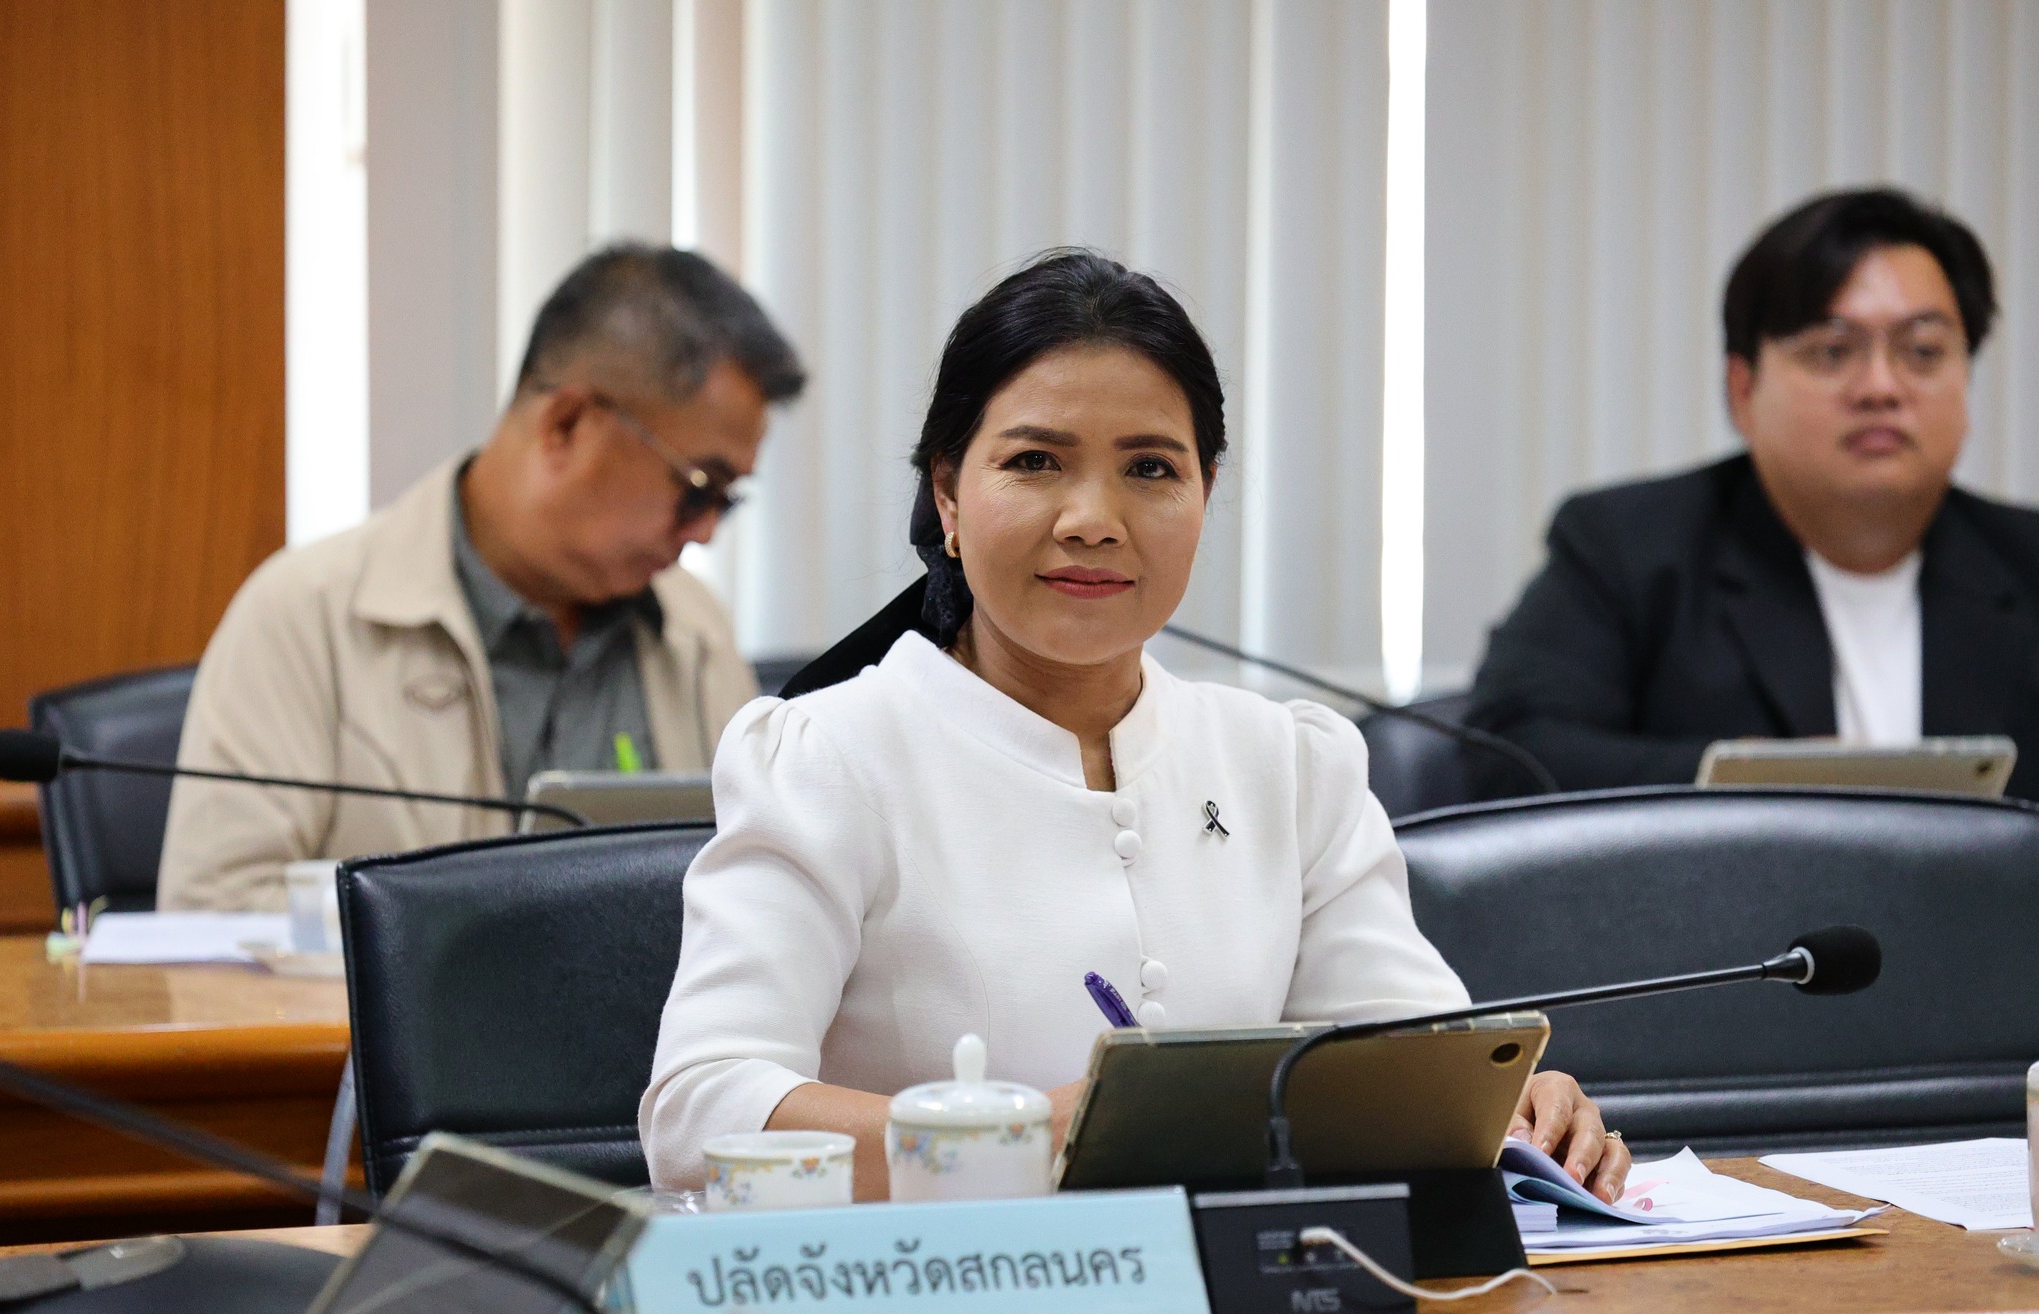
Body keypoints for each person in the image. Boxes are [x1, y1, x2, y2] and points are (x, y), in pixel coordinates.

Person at [641, 251, 1628, 1203]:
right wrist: (1019, 1137)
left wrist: (1508, 1105)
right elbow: (702, 1111)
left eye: (1150, 468)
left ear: (1205, 493)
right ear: (947, 494)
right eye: (1034, 462)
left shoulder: (1287, 763)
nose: (1092, 519)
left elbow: (1407, 1058)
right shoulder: (828, 757)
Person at [156, 246, 806, 911]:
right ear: (566, 424)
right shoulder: (304, 615)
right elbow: (212, 909)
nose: (706, 532)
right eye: (699, 487)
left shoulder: (695, 627)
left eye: (728, 502)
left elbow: (751, 887)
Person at [1467, 187, 2039, 797]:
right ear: (1743, 392)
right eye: (1833, 351)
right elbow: (1509, 752)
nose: (1881, 387)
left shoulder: (2026, 560)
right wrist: (1750, 786)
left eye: (1922, 352)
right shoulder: (1629, 551)